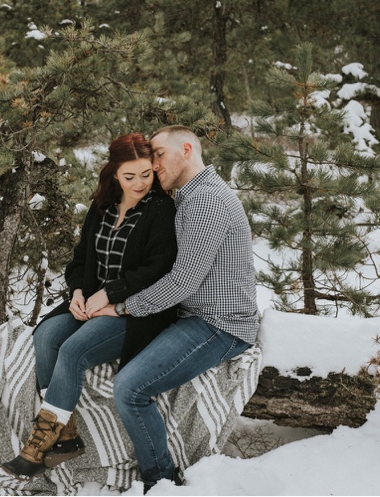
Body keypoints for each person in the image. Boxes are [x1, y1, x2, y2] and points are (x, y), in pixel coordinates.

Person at [85, 125, 260, 493]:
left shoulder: (206, 201)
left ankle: (160, 480)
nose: (153, 163)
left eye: (159, 155)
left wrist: (122, 307)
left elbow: (182, 282)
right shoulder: (186, 197)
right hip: (188, 314)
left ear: (186, 149)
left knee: (129, 388)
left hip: (219, 324)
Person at [1, 133, 180, 480]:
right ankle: (66, 437)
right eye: (130, 176)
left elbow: (158, 267)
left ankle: (40, 442)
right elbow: (82, 258)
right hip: (91, 299)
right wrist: (78, 291)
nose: (140, 183)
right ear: (114, 174)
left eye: (146, 174)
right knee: (47, 335)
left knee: (74, 350)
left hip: (134, 308)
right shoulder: (102, 207)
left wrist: (109, 294)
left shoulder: (161, 210)